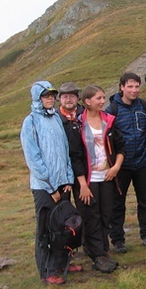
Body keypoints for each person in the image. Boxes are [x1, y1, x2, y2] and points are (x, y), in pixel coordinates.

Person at [20, 81, 75, 285]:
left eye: (52, 95)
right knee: (45, 229)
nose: (50, 99)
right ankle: (46, 271)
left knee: (62, 227)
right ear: (37, 98)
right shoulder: (30, 122)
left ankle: (61, 263)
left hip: (63, 184)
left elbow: (65, 150)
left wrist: (68, 179)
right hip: (44, 188)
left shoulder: (56, 119)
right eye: (46, 96)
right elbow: (33, 158)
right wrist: (51, 187)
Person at [66, 84, 124, 273]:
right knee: (91, 216)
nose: (102, 101)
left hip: (107, 177)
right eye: (98, 98)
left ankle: (101, 250)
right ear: (87, 101)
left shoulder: (110, 121)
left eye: (103, 97)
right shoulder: (77, 125)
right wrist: (82, 184)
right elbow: (75, 156)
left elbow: (121, 147)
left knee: (106, 214)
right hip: (88, 180)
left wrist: (115, 167)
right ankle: (98, 255)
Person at [105, 72, 146, 253]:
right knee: (118, 203)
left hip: (143, 163)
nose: (134, 90)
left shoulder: (144, 107)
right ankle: (117, 239)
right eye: (130, 86)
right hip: (121, 166)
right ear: (121, 87)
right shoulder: (112, 110)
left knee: (145, 201)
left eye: (136, 86)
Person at [56, 81, 86, 272]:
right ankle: (62, 256)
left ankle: (87, 246)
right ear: (60, 98)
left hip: (84, 171)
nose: (69, 99)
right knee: (63, 216)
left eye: (72, 96)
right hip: (62, 175)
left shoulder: (85, 115)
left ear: (78, 98)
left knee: (86, 211)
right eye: (65, 96)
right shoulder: (54, 118)